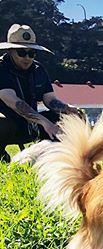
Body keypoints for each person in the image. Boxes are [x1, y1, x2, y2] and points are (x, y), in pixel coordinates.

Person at [0, 24, 81, 163]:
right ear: (10, 51)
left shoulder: (39, 70)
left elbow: (50, 100)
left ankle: (54, 157)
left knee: (66, 118)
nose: (27, 58)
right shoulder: (1, 68)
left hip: (32, 125)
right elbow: (13, 102)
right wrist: (44, 122)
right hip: (9, 122)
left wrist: (68, 109)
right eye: (22, 53)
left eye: (31, 53)